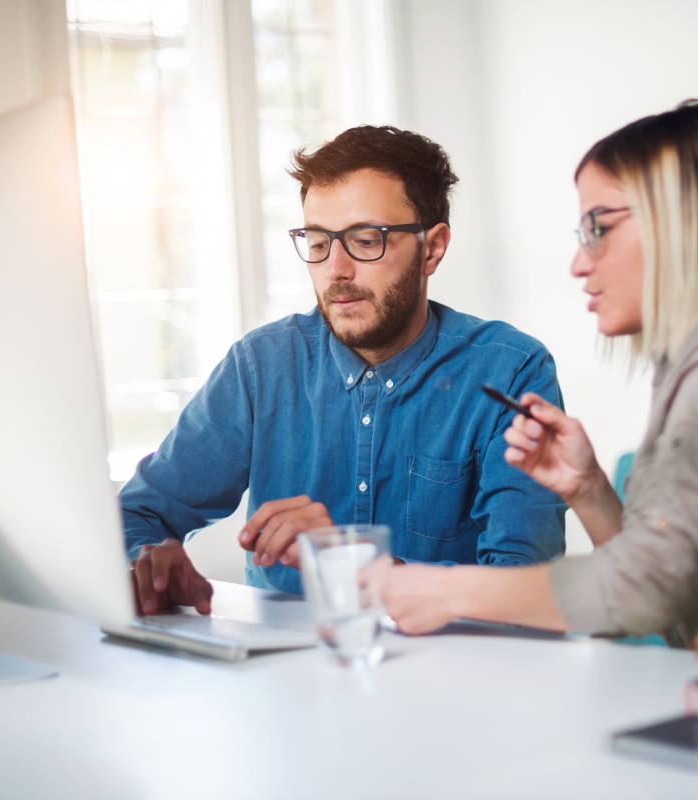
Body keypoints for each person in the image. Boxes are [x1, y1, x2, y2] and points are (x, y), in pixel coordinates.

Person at [370, 100, 698, 646]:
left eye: (599, 226)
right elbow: (674, 590)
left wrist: (446, 591)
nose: (579, 262)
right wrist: (588, 488)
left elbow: (647, 588)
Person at [121, 126, 566, 616]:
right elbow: (138, 512)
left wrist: (355, 562)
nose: (335, 269)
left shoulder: (510, 372)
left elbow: (530, 594)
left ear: (432, 249)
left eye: (365, 240)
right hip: (283, 679)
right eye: (317, 241)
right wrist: (148, 563)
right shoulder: (261, 367)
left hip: (446, 680)